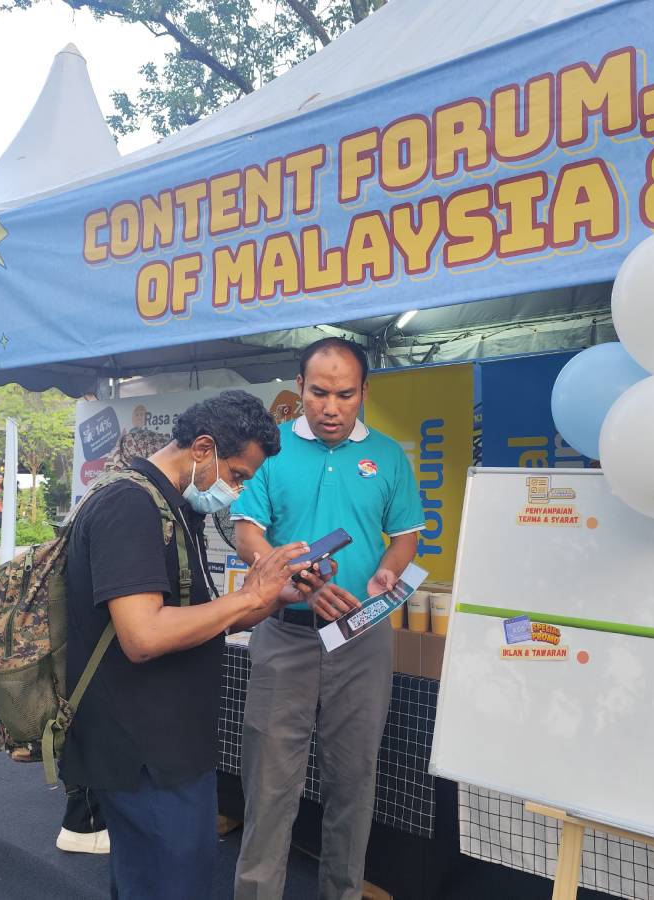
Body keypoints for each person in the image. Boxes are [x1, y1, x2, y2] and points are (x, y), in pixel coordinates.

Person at [62, 390, 315, 899]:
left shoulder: (172, 508)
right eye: (237, 475)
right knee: (169, 882)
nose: (237, 491)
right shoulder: (130, 506)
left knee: (159, 879)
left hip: (169, 745)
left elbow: (200, 621)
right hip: (144, 752)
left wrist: (270, 598)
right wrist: (250, 597)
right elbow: (144, 635)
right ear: (202, 448)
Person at [231, 338, 426, 900]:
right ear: (299, 387)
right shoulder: (270, 452)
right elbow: (246, 532)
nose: (331, 408)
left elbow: (406, 534)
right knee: (269, 784)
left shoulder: (387, 456)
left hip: (362, 639)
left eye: (345, 394)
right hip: (284, 636)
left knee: (353, 781)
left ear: (364, 391)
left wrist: (388, 571)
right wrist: (294, 578)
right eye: (318, 393)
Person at [56, 427, 170, 857]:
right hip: (100, 639)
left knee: (84, 719)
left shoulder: (98, 492)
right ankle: (81, 825)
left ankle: (85, 815)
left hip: (83, 634)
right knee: (93, 724)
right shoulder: (126, 501)